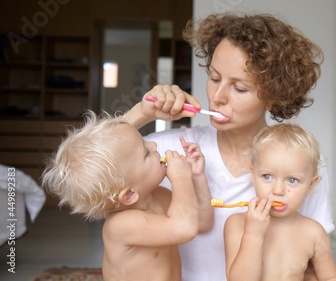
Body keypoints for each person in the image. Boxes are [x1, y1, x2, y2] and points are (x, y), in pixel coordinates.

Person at [124, 12, 334, 280]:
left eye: (239, 88)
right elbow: (78, 166)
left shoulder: (301, 162)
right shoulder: (168, 148)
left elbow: (313, 264)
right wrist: (140, 114)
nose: (217, 97)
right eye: (214, 78)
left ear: (273, 97)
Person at [41, 110, 213, 281]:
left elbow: (202, 222)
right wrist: (181, 178)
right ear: (129, 194)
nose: (154, 145)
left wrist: (197, 176)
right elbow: (184, 229)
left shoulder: (160, 196)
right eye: (145, 153)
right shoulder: (121, 225)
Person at [224, 123, 336, 281]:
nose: (278, 190)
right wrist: (253, 235)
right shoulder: (237, 224)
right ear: (253, 175)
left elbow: (330, 277)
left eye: (292, 180)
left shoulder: (314, 232)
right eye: (267, 176)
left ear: (311, 185)